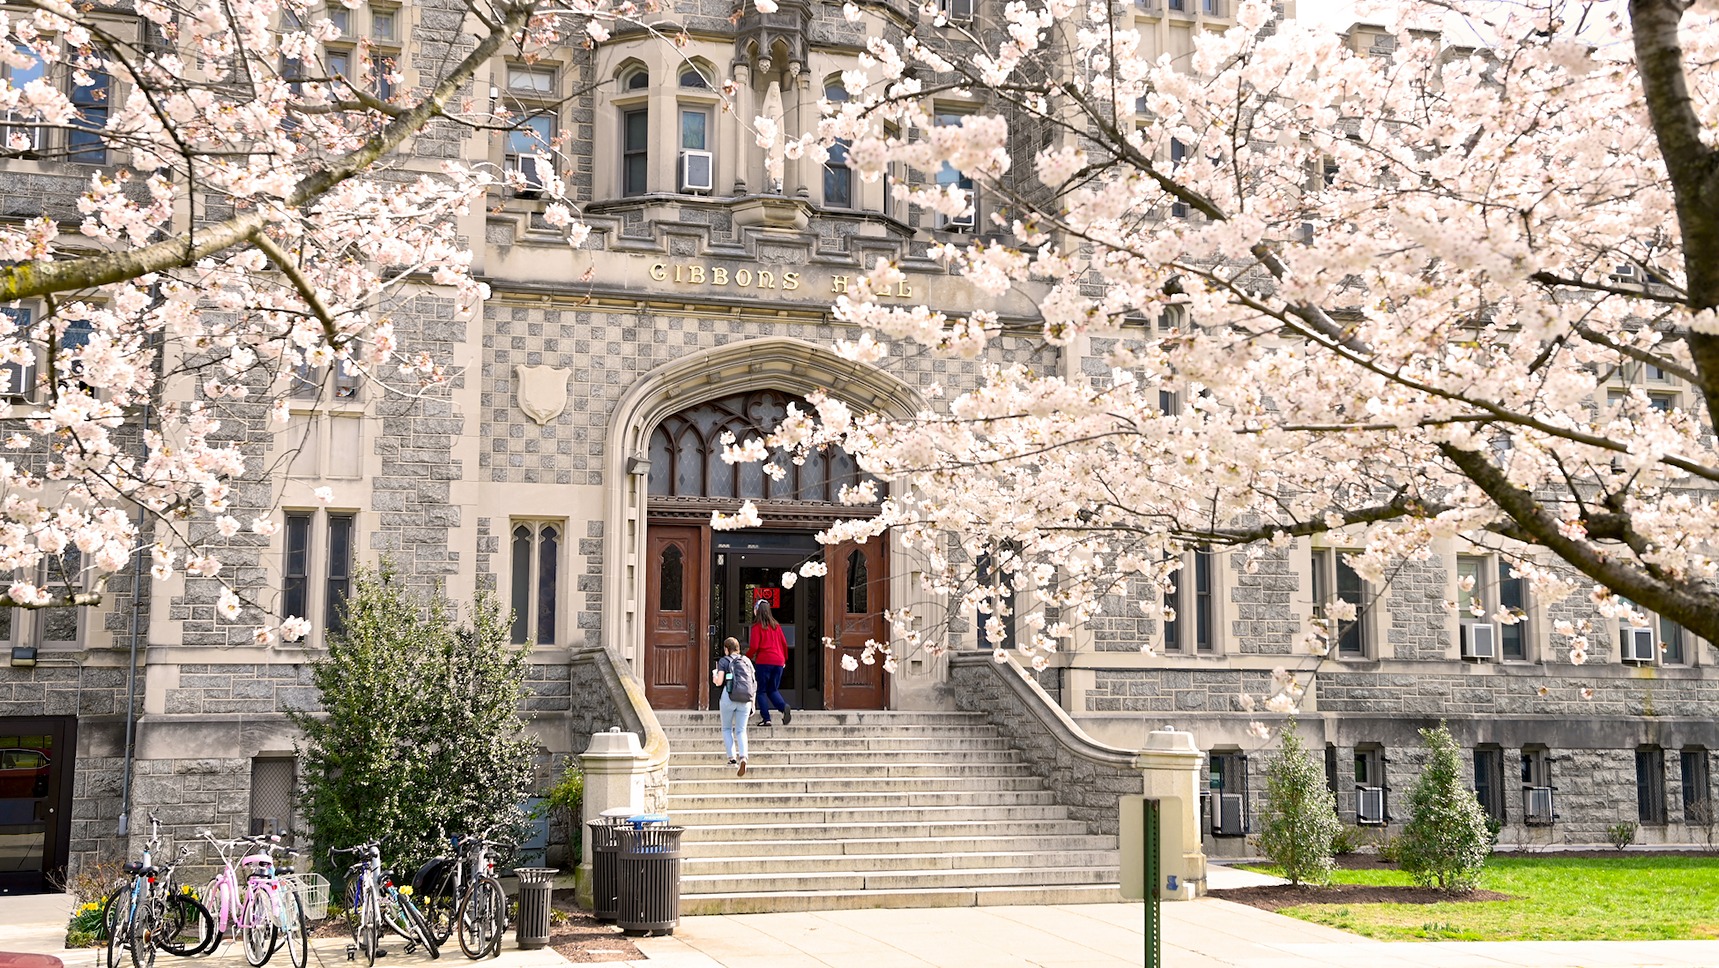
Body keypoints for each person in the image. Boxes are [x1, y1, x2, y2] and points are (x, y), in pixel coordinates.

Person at [713, 637, 754, 776]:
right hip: (745, 699)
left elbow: (719, 682)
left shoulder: (724, 661)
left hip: (728, 696)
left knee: (726, 728)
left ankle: (732, 759)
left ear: (726, 649)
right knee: (741, 730)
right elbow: (753, 682)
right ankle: (744, 757)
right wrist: (752, 703)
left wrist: (714, 676)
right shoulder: (747, 661)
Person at [748, 598, 792, 727]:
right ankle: (784, 708)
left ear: (758, 610)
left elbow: (754, 646)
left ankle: (766, 719)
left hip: (764, 660)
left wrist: (747, 656)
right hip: (778, 661)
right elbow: (784, 643)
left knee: (761, 690)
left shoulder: (757, 627)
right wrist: (784, 659)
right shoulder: (776, 626)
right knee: (772, 689)